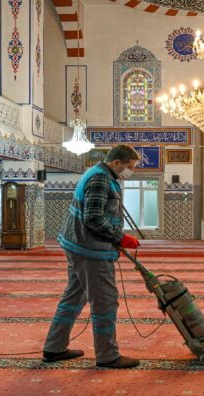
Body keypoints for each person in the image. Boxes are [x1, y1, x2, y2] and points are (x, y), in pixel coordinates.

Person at [42, 144, 142, 369]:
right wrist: (120, 238)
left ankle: (54, 347)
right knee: (105, 301)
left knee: (73, 298)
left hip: (79, 245)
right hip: (90, 250)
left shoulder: (101, 175)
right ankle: (107, 355)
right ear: (116, 162)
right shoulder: (100, 179)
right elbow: (94, 218)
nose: (131, 171)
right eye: (130, 166)